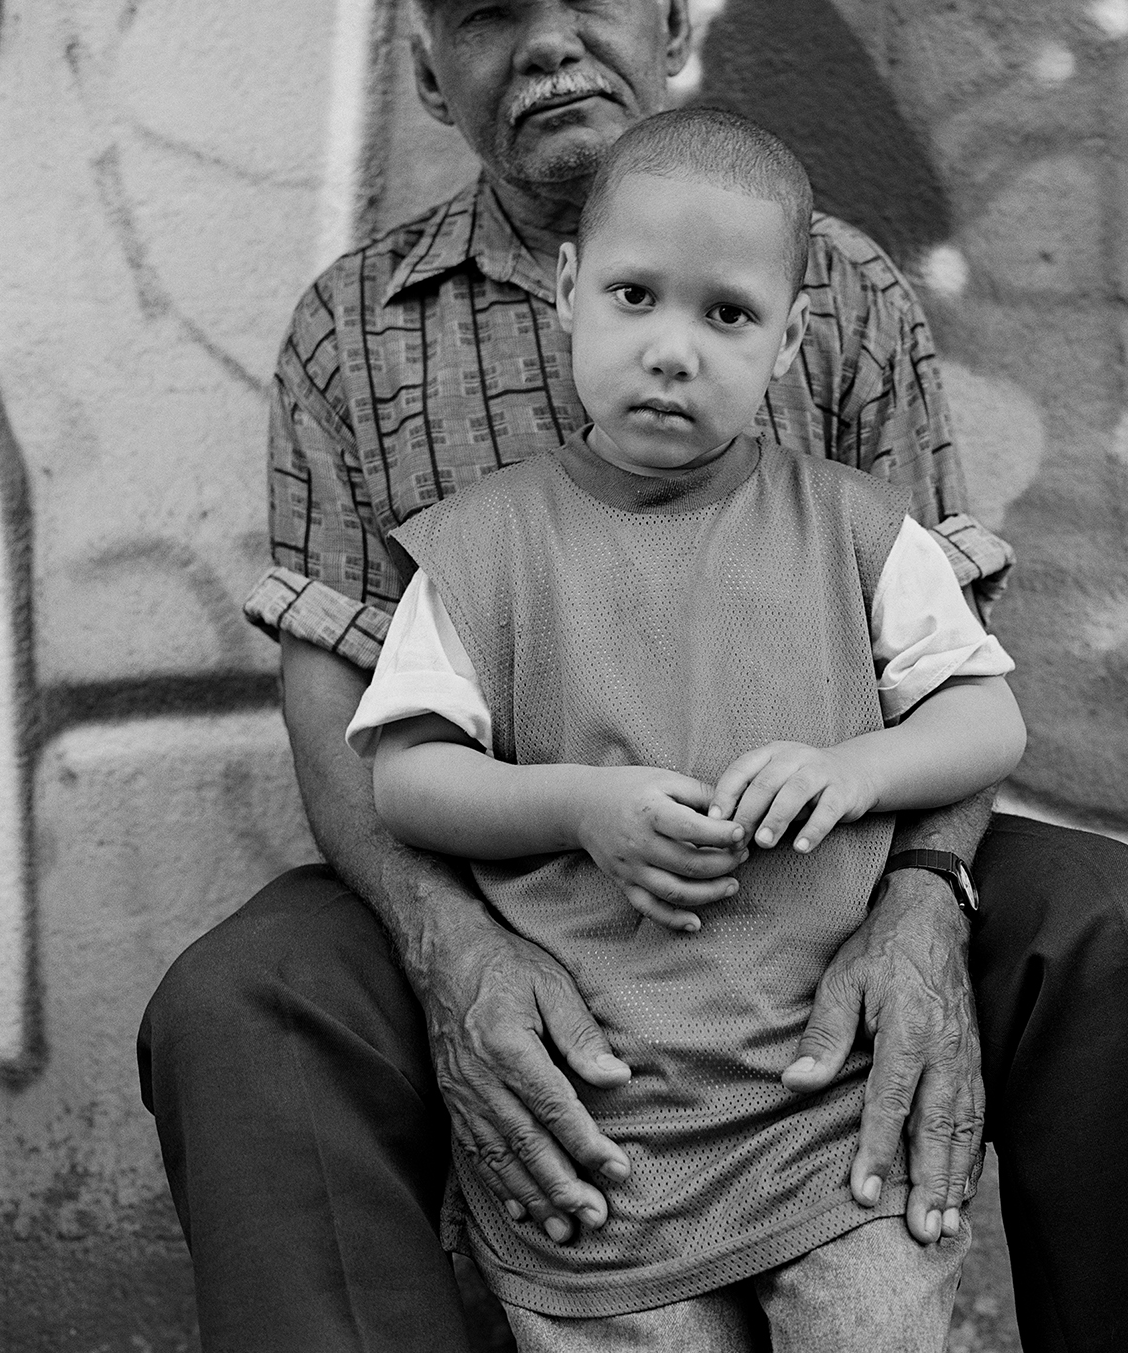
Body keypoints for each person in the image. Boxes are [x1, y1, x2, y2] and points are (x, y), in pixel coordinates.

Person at [136, 0, 1128, 1353]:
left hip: (821, 861)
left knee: (1125, 930)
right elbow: (338, 713)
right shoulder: (353, 332)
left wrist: (922, 901)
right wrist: (462, 959)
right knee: (237, 1008)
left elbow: (954, 664)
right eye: (484, 11)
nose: (546, 43)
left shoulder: (834, 292)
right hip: (498, 872)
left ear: (665, 10)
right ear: (424, 73)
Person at [348, 106, 1028, 1349]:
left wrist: (854, 766)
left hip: (825, 1123)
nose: (674, 350)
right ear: (566, 293)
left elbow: (985, 718)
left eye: (726, 315)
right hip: (605, 1135)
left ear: (789, 342)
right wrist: (577, 806)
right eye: (634, 297)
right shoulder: (485, 546)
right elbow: (407, 778)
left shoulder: (856, 528)